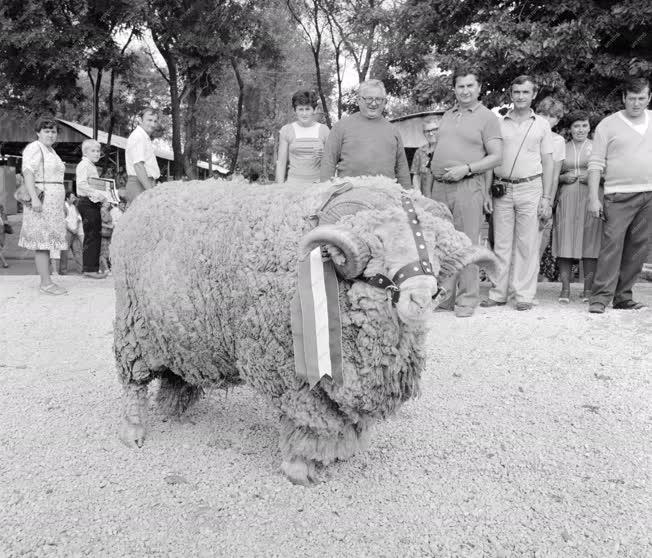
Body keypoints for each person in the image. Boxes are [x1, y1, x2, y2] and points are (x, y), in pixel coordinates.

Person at [429, 67, 503, 317]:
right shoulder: (448, 115)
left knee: (467, 244)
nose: (465, 91)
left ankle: (468, 299)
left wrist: (467, 168)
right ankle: (445, 297)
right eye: (460, 86)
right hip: (440, 186)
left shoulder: (487, 118)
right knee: (443, 243)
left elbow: (496, 157)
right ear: (454, 89)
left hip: (468, 185)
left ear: (479, 88)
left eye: (470, 86)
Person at [482, 75, 553, 311]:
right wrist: (485, 193)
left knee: (527, 243)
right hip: (502, 188)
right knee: (501, 243)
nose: (520, 96)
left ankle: (523, 295)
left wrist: (547, 198)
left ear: (534, 95)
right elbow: (490, 161)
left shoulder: (542, 124)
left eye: (525, 92)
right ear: (511, 95)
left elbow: (548, 162)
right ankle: (498, 292)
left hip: (531, 187)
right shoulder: (498, 123)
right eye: (516, 92)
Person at [587, 76, 652, 313]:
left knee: (638, 248)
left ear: (649, 98)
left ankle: (624, 297)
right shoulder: (607, 124)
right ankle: (600, 298)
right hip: (617, 196)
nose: (636, 103)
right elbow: (595, 164)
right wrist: (594, 198)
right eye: (632, 98)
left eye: (641, 98)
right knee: (611, 246)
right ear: (623, 97)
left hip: (649, 195)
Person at [320, 79, 411, 188]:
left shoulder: (393, 130)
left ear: (384, 102)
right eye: (369, 99)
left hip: (386, 195)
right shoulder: (341, 126)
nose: (374, 103)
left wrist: (407, 194)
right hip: (349, 193)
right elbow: (328, 162)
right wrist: (325, 191)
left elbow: (402, 168)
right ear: (359, 100)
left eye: (378, 99)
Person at [553, 111, 602, 303]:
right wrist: (562, 178)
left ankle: (588, 290)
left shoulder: (597, 147)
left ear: (590, 127)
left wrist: (593, 177)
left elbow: (608, 173)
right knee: (565, 240)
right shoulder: (562, 148)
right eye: (576, 126)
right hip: (567, 198)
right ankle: (565, 289)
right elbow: (549, 173)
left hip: (591, 197)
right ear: (569, 129)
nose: (580, 129)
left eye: (584, 125)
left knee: (590, 242)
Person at [17, 117, 68, 295]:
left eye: (53, 131)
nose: (51, 134)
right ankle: (46, 283)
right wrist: (34, 198)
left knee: (48, 241)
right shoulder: (34, 148)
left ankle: (48, 279)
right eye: (46, 131)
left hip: (53, 203)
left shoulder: (51, 151)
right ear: (38, 132)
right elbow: (28, 172)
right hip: (42, 200)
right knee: (42, 242)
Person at [536, 97, 566, 282]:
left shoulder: (558, 141)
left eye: (553, 116)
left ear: (558, 120)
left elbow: (555, 175)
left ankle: (529, 284)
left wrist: (549, 201)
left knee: (541, 236)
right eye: (544, 114)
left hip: (543, 193)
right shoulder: (528, 134)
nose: (548, 119)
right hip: (521, 189)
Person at [275, 90, 330, 184]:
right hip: (292, 185)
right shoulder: (286, 130)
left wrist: (324, 155)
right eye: (300, 109)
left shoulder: (324, 130)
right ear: (294, 110)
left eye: (307, 109)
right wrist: (280, 188)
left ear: (315, 110)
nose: (304, 113)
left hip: (317, 185)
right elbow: (281, 162)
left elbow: (330, 161)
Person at [76, 139, 107, 279]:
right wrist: (98, 195)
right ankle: (89, 269)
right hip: (87, 202)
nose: (96, 153)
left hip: (92, 202)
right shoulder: (84, 165)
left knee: (94, 234)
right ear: (85, 152)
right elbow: (81, 184)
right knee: (92, 235)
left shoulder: (90, 165)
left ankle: (91, 267)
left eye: (98, 151)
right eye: (93, 151)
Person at [125, 107, 160, 205]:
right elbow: (138, 166)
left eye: (155, 121)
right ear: (140, 120)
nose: (153, 124)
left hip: (144, 183)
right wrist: (150, 191)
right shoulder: (138, 136)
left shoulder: (144, 137)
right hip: (139, 184)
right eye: (149, 120)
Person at [410, 116, 440, 198]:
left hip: (443, 199)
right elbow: (416, 175)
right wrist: (417, 191)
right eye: (427, 131)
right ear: (424, 133)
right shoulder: (419, 152)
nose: (430, 133)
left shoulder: (446, 150)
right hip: (425, 199)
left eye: (434, 129)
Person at [99, 201, 114, 274]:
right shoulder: (102, 210)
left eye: (109, 202)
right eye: (106, 202)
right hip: (103, 233)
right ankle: (106, 268)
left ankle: (104, 268)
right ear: (103, 203)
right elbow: (99, 222)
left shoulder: (107, 211)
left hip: (109, 233)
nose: (108, 203)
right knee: (103, 252)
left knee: (107, 251)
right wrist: (109, 226)